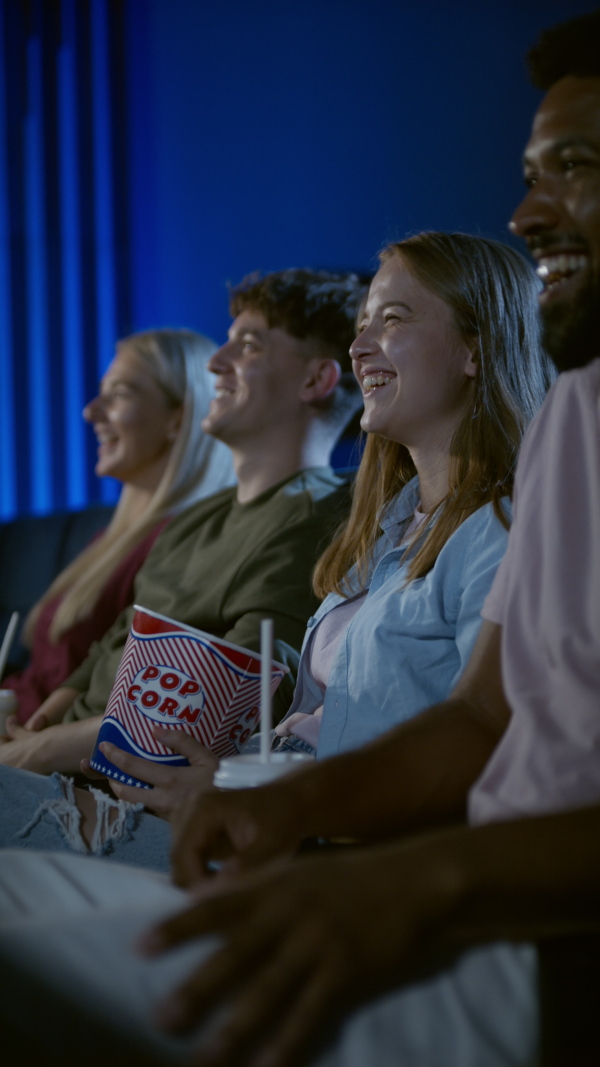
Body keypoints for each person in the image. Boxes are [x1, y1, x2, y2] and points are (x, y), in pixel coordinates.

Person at [1, 10, 599, 1067]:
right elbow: (476, 715)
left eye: (577, 166)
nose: (526, 208)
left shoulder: (503, 505)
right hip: (352, 854)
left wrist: (395, 868)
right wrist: (283, 794)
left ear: (473, 353)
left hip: (511, 923)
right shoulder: (567, 426)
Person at [0, 231, 552, 867]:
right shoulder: (382, 532)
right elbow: (305, 725)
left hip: (326, 852)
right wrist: (228, 778)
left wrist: (267, 798)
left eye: (393, 319)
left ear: (476, 349)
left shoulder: (504, 528)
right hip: (253, 817)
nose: (359, 345)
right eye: (362, 323)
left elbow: (490, 745)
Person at [0, 268, 364, 783]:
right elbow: (110, 646)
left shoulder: (316, 519)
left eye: (249, 345)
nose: (217, 361)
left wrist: (36, 754)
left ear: (316, 380)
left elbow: (234, 700)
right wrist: (37, 731)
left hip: (123, 787)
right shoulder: (195, 519)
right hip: (60, 764)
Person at [1, 329, 235, 724]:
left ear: (178, 416)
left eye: (121, 393)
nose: (91, 411)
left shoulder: (179, 542)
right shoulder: (111, 537)